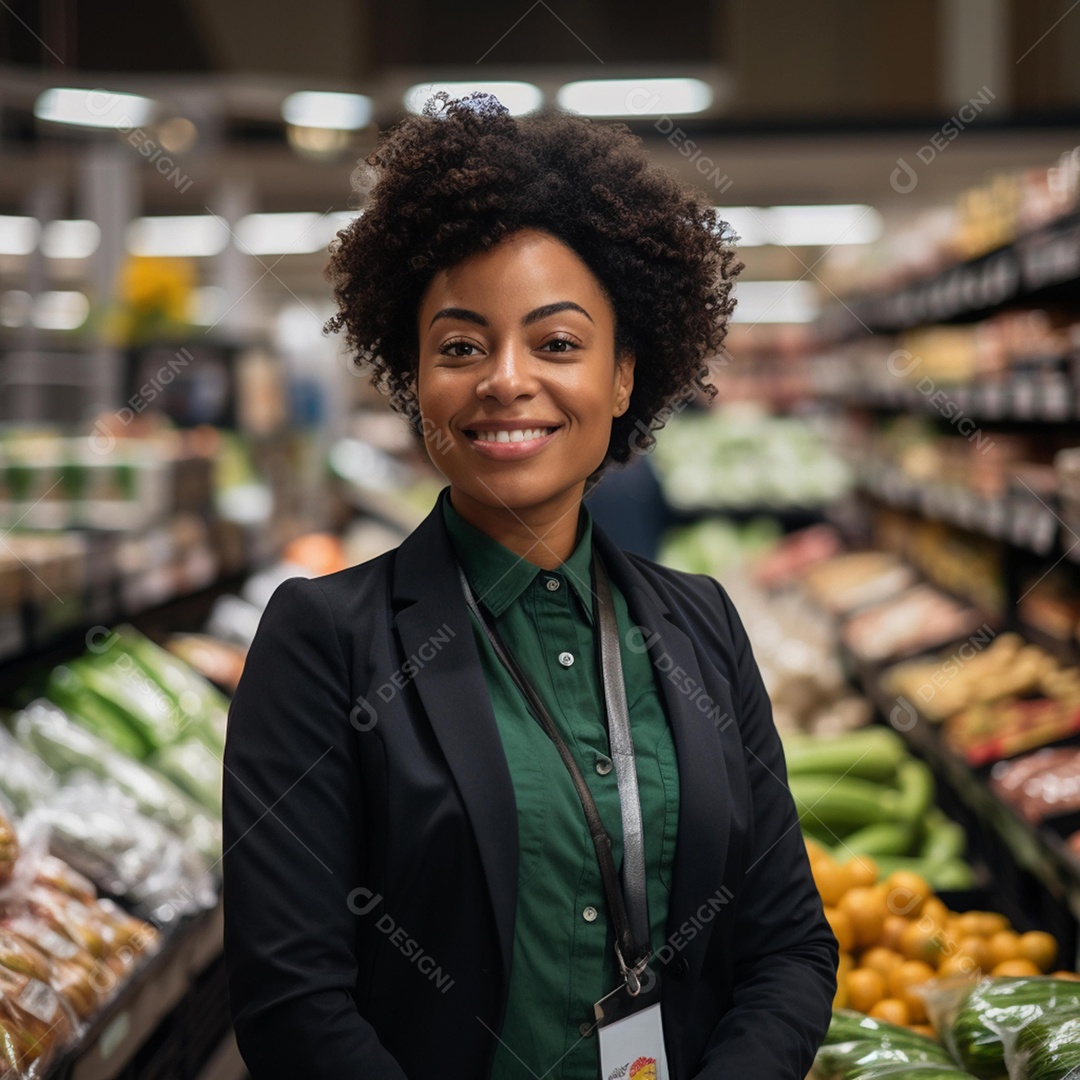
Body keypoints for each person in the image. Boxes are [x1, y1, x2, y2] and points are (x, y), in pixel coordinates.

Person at [221, 91, 837, 1080]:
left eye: (557, 343)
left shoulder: (702, 626)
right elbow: (292, 1001)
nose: (506, 380)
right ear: (413, 376)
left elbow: (789, 951)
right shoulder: (325, 640)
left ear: (625, 375)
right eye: (461, 346)